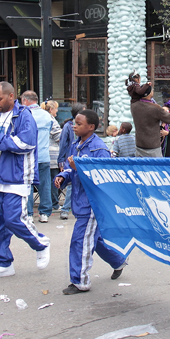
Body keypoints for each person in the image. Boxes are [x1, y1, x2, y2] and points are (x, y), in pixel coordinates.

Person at [0, 82, 51, 279]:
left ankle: (41, 243)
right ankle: (3, 263)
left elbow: (26, 143)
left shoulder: (24, 115)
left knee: (14, 218)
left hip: (16, 176)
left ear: (11, 97)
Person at [54, 109, 127, 295]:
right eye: (74, 123)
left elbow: (103, 178)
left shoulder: (99, 149)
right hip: (79, 201)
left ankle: (80, 281)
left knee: (80, 240)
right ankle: (118, 261)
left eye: (78, 124)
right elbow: (72, 170)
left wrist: (76, 168)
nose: (74, 126)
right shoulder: (76, 144)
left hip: (93, 204)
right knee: (94, 239)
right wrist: (64, 176)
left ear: (91, 127)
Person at [21, 91, 61, 224]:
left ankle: (29, 214)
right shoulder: (47, 116)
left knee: (28, 185)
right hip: (44, 156)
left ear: (25, 100)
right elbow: (58, 135)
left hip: (27, 156)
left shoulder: (23, 114)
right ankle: (44, 213)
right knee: (45, 185)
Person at [129, 78, 170, 157]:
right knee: (156, 168)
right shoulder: (155, 108)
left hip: (139, 145)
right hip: (153, 147)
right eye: (152, 90)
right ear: (149, 94)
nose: (153, 91)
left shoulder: (134, 106)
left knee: (141, 168)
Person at [57, 103, 86, 220]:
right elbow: (63, 144)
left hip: (81, 159)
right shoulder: (68, 126)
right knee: (70, 185)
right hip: (70, 159)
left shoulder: (86, 127)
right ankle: (65, 209)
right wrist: (61, 162)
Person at [41, 100, 62, 216]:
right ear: (50, 110)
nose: (57, 111)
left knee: (46, 181)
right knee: (54, 181)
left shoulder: (41, 119)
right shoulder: (51, 120)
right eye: (56, 109)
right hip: (53, 155)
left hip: (44, 154)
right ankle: (54, 203)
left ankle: (48, 203)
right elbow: (59, 137)